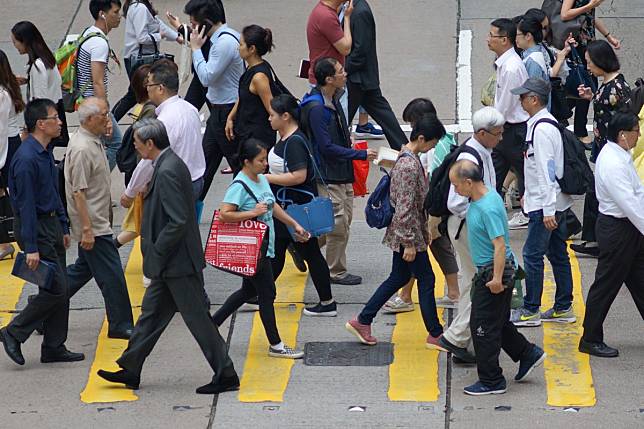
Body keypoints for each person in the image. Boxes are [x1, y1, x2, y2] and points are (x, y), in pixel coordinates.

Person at [97, 118, 240, 395]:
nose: (136, 148)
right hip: (168, 264)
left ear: (150, 143)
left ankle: (226, 372)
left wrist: (158, 249)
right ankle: (131, 367)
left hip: (178, 263)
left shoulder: (168, 170)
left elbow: (178, 220)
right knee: (149, 316)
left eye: (137, 143)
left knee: (198, 320)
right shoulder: (164, 164)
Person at [346, 114, 446, 348]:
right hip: (407, 234)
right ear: (421, 138)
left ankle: (363, 320)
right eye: (432, 142)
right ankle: (435, 333)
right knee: (427, 279)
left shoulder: (405, 156)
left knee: (399, 277)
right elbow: (404, 207)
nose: (432, 147)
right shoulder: (410, 165)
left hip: (407, 232)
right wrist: (409, 242)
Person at [448, 159, 545, 396]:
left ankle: (492, 380)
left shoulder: (487, 208)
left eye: (456, 185)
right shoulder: (484, 197)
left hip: (493, 272)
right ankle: (527, 353)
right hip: (490, 270)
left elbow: (499, 245)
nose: (455, 190)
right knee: (497, 321)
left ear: (469, 182)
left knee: (482, 326)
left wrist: (497, 279)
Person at [0, 99, 84, 366]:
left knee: (60, 286)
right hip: (35, 227)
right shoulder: (25, 160)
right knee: (57, 289)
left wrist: (63, 224)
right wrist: (32, 246)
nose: (60, 122)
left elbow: (53, 192)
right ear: (40, 124)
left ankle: (54, 346)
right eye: (55, 118)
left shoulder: (45, 152)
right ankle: (13, 331)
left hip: (51, 226)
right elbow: (24, 206)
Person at [211, 138, 308, 359]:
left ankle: (211, 324)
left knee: (248, 291)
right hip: (253, 250)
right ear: (246, 162)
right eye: (260, 160)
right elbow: (225, 213)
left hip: (265, 246)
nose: (265, 164)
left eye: (265, 159)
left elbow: (272, 207)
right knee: (267, 293)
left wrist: (294, 224)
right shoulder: (239, 185)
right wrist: (252, 213)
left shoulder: (261, 179)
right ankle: (276, 345)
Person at [438, 107, 506, 364]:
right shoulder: (470, 159)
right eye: (497, 134)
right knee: (479, 282)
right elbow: (456, 202)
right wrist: (482, 215)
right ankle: (455, 337)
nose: (500, 138)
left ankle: (462, 339)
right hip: (468, 228)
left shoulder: (483, 151)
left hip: (471, 225)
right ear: (481, 133)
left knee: (472, 282)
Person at [300, 57, 377, 285]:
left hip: (342, 171)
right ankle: (336, 271)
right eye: (341, 71)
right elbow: (325, 147)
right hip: (328, 173)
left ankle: (303, 246)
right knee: (338, 224)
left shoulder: (334, 98)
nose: (345, 74)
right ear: (329, 79)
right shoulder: (316, 108)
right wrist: (358, 154)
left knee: (344, 220)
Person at [65, 98, 134, 339]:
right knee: (113, 275)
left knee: (81, 271)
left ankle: (44, 306)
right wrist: (86, 229)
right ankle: (120, 323)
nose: (109, 120)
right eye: (104, 115)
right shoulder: (83, 148)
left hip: (98, 220)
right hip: (94, 225)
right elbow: (78, 192)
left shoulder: (94, 141)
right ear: (90, 119)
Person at [508, 78, 575, 327]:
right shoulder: (538, 125)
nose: (520, 100)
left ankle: (530, 309)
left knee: (532, 255)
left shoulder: (542, 129)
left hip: (546, 206)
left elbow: (547, 172)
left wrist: (547, 209)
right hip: (549, 202)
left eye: (523, 96)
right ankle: (563, 307)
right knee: (557, 254)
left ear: (534, 99)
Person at [384, 98, 460, 313]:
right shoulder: (442, 140)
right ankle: (450, 292)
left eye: (412, 123)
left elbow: (431, 178)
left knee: (420, 250)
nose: (411, 128)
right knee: (437, 247)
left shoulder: (435, 147)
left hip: (431, 207)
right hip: (433, 206)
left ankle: (406, 296)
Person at [578, 112, 644, 358]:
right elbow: (630, 203)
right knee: (605, 286)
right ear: (622, 135)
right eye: (636, 131)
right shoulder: (613, 163)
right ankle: (590, 338)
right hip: (618, 231)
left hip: (628, 229)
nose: (639, 135)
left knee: (640, 281)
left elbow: (637, 192)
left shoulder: (620, 154)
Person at [264, 94, 336, 316]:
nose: (269, 119)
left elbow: (299, 176)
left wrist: (267, 178)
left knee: (309, 254)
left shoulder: (294, 141)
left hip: (295, 210)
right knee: (275, 254)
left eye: (272, 115)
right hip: (286, 209)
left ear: (285, 116)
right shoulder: (288, 137)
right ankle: (260, 295)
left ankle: (327, 303)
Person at [571, 40, 631, 257]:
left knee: (599, 193)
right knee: (595, 192)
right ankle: (593, 239)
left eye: (590, 62)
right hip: (602, 149)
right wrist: (591, 96)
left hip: (611, 152)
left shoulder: (618, 88)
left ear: (600, 61)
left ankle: (597, 240)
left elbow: (625, 120)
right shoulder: (607, 86)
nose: (588, 67)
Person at [121, 60, 206, 209]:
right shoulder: (190, 109)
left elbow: (150, 160)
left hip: (175, 187)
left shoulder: (166, 120)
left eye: (149, 84)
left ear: (160, 88)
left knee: (167, 230)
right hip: (195, 181)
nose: (147, 89)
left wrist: (130, 193)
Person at [188, 0, 244, 202]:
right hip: (218, 113)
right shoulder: (222, 39)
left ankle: (247, 218)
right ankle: (190, 212)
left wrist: (195, 49)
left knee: (240, 168)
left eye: (194, 24)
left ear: (207, 22)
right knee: (204, 166)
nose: (192, 29)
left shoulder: (225, 43)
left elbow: (206, 77)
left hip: (228, 113)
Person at [345, 0, 407, 150]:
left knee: (341, 118)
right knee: (384, 116)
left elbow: (360, 52)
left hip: (357, 79)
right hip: (362, 78)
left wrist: (343, 70)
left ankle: (404, 149)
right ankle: (404, 148)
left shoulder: (360, 13)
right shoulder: (353, 9)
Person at [487, 18, 531, 230]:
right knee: (492, 174)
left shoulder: (512, 68)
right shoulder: (505, 63)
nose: (488, 39)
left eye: (491, 36)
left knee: (529, 174)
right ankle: (490, 217)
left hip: (513, 132)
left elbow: (504, 105)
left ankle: (565, 221)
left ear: (505, 40)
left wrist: (489, 127)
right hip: (505, 132)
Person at [561, 0, 621, 145]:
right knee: (587, 84)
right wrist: (589, 6)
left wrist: (608, 36)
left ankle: (560, 115)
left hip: (586, 44)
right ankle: (578, 131)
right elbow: (564, 14)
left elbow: (590, 17)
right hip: (576, 46)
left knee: (580, 86)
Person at [111, 0, 179, 121]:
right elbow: (142, 37)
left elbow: (158, 24)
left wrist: (177, 37)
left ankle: (111, 122)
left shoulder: (142, 5)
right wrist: (160, 36)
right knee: (137, 94)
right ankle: (110, 122)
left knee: (140, 94)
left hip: (141, 58)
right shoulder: (139, 8)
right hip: (139, 60)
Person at [114, 64, 155, 253]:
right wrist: (140, 183)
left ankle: (113, 246)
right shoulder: (151, 110)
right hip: (141, 173)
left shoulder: (143, 108)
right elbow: (145, 153)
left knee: (138, 218)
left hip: (137, 173)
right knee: (142, 220)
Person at [78, 0, 123, 171]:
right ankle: (97, 183)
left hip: (86, 103)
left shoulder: (89, 33)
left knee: (96, 145)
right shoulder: (99, 44)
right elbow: (97, 82)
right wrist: (105, 116)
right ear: (102, 14)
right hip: (93, 106)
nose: (119, 16)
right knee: (116, 144)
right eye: (115, 12)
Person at [11, 21, 69, 147]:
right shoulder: (47, 59)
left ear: (25, 41)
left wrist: (27, 129)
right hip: (54, 111)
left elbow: (39, 100)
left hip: (44, 122)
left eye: (15, 41)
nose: (15, 45)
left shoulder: (37, 66)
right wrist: (28, 79)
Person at [225, 25, 279, 152]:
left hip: (257, 141)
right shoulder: (251, 67)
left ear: (252, 49)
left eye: (241, 44)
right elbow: (243, 96)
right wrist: (230, 117)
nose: (238, 47)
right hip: (247, 134)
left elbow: (271, 109)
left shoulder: (259, 77)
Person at [166, 0, 227, 111]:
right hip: (201, 71)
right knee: (188, 110)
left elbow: (199, 36)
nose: (192, 26)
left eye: (193, 23)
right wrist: (179, 27)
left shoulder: (219, 38)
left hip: (208, 72)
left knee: (212, 114)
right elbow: (197, 36)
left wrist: (180, 28)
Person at [306, 0, 353, 121]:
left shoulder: (325, 11)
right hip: (329, 84)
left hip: (328, 78)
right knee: (337, 126)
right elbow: (346, 48)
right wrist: (347, 18)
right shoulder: (326, 16)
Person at [0, 49, 25, 261]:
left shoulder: (1, 94)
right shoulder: (10, 87)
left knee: (6, 195)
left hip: (4, 146)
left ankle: (6, 242)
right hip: (11, 142)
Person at [515, 18, 551, 109]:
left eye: (517, 35)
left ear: (528, 36)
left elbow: (534, 92)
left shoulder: (533, 61)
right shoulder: (531, 54)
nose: (515, 39)